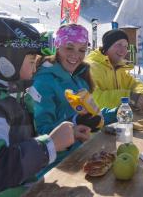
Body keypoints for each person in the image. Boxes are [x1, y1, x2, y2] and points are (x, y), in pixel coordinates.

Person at [0, 17, 90, 197]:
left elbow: (22, 145)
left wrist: (68, 133)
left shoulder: (13, 97)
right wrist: (49, 145)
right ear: (6, 62)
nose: (35, 68)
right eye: (31, 61)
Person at [32, 23, 118, 174]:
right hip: (57, 166)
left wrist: (117, 113)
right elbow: (42, 133)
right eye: (69, 48)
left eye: (82, 50)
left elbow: (92, 114)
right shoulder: (43, 82)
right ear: (57, 46)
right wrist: (74, 123)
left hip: (82, 154)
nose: (75, 55)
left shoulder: (78, 79)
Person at [85, 29, 143, 112]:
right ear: (107, 46)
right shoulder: (91, 67)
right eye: (119, 44)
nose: (123, 50)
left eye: (126, 46)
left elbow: (135, 85)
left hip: (117, 120)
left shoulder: (118, 68)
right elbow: (94, 100)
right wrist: (129, 97)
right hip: (94, 122)